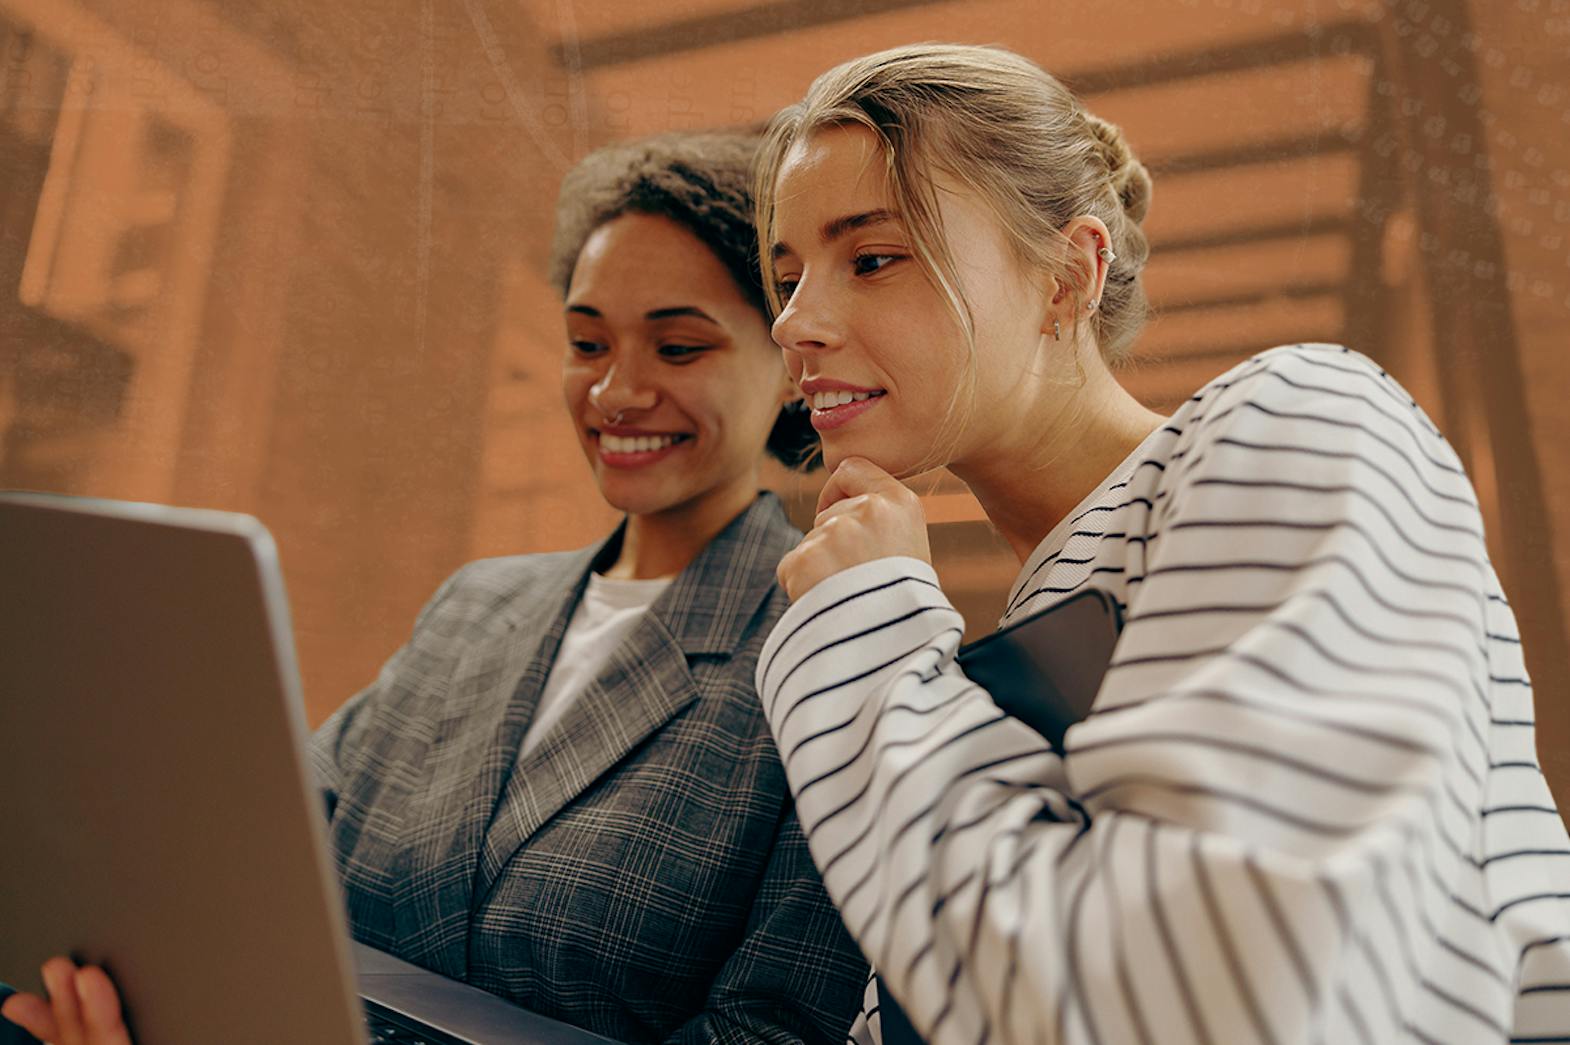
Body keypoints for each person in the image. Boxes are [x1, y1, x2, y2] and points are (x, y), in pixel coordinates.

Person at [748, 43, 1570, 1045]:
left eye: (871, 258)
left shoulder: (1303, 417)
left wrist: (865, 641)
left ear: (1066, 275)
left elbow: (1192, 995)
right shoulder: (1027, 631)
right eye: (787, 277)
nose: (793, 322)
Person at [1, 131, 867, 1045]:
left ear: (786, 367)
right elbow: (261, 867)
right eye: (585, 342)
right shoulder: (474, 607)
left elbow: (773, 1030)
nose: (615, 391)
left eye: (679, 347)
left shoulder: (825, 655)